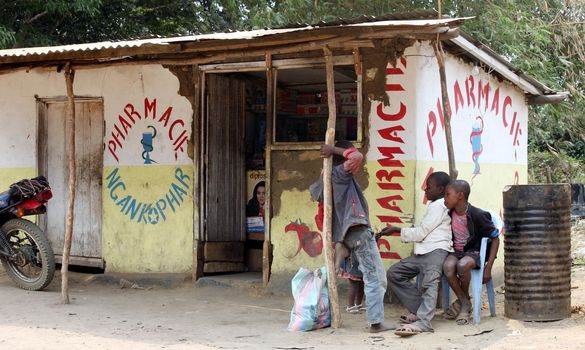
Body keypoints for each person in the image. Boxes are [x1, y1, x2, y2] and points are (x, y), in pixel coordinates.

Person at [309, 141, 393, 333]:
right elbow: (357, 157)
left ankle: (341, 249)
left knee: (367, 276)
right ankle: (376, 322)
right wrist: (333, 150)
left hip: (346, 233)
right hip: (357, 232)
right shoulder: (339, 174)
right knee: (375, 278)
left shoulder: (326, 178)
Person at [378, 171, 453, 336]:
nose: (425, 190)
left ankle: (424, 322)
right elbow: (422, 233)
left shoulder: (440, 205)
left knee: (429, 283)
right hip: (424, 251)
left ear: (440, 189)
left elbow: (421, 232)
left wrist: (397, 230)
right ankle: (421, 311)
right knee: (394, 274)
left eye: (429, 187)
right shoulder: (435, 204)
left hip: (436, 251)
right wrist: (398, 230)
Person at [442, 179, 499, 326]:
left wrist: (488, 267)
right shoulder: (449, 214)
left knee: (462, 265)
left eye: (448, 194)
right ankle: (465, 301)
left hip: (474, 251)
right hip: (457, 250)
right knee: (448, 266)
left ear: (460, 196)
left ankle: (463, 303)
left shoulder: (478, 215)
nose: (444, 198)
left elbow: (495, 239)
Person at [334, 242, 365, 314]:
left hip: (360, 262)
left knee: (362, 283)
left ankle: (358, 304)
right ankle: (350, 306)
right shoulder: (345, 239)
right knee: (353, 284)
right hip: (352, 263)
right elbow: (341, 250)